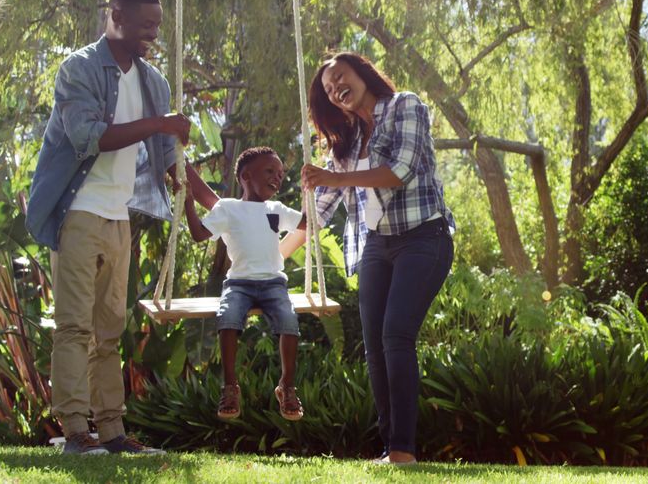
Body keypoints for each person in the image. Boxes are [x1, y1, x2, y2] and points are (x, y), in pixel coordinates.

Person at [25, 0, 190, 455]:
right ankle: (76, 429)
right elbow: (87, 136)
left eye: (157, 26)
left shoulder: (152, 82)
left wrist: (202, 211)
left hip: (119, 219)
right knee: (75, 326)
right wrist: (160, 124)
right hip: (78, 211)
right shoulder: (78, 69)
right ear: (115, 15)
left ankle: (113, 433)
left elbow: (168, 156)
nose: (153, 36)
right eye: (145, 25)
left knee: (110, 332)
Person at [286, 52, 454, 465]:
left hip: (423, 238)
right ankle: (389, 448)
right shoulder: (346, 141)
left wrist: (337, 178)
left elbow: (400, 170)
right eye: (328, 89)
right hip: (377, 245)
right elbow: (316, 213)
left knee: (397, 335)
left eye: (341, 78)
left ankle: (403, 450)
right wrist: (266, 264)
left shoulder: (405, 106)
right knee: (375, 348)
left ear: (362, 73)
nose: (336, 89)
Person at [183, 147, 307, 422]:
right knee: (228, 318)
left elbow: (308, 223)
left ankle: (287, 386)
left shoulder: (277, 209)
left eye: (280, 174)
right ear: (246, 176)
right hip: (239, 283)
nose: (277, 178)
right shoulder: (228, 208)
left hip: (274, 283)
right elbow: (199, 234)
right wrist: (189, 203)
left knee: (289, 320)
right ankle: (230, 387)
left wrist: (314, 189)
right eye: (270, 172)